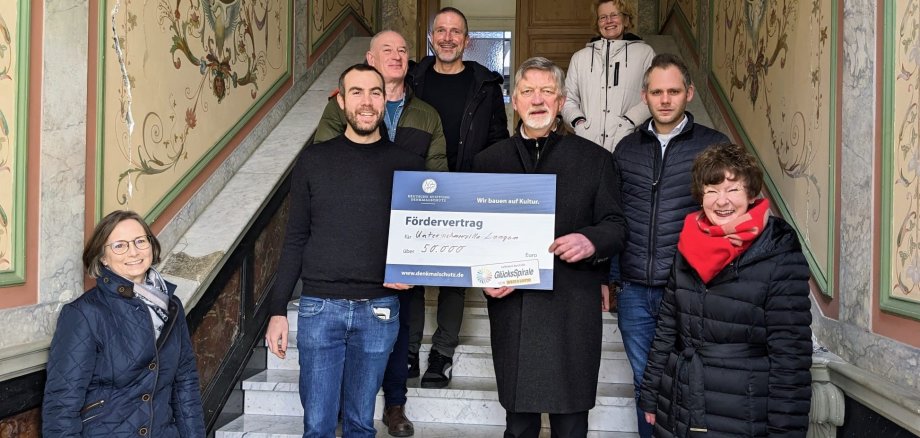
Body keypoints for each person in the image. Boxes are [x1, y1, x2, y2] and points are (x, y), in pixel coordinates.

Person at [263, 64, 424, 438]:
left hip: (381, 309)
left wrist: (412, 273)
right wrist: (277, 311)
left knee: (360, 424)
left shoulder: (409, 167)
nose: (366, 102)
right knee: (317, 425)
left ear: (386, 100)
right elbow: (295, 238)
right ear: (341, 101)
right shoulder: (313, 161)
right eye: (357, 92)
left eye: (374, 92)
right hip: (321, 308)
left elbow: (424, 243)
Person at [473, 57, 627, 438]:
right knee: (519, 421)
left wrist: (591, 240)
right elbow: (474, 235)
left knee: (571, 422)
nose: (537, 100)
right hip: (513, 306)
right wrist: (483, 278)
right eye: (527, 91)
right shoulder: (487, 162)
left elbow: (617, 226)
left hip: (571, 307)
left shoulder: (596, 160)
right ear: (515, 101)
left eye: (547, 91)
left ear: (560, 102)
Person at [313, 29, 448, 437]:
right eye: (386, 49)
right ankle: (338, 405)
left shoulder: (426, 114)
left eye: (403, 50)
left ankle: (394, 404)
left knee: (402, 326)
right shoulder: (342, 105)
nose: (396, 55)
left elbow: (437, 174)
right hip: (350, 238)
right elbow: (326, 161)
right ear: (369, 58)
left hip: (405, 236)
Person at [639, 143, 813, 437]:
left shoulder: (778, 251)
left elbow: (791, 356)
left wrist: (785, 431)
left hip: (744, 411)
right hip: (679, 403)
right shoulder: (687, 245)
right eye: (711, 189)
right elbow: (667, 329)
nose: (722, 201)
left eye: (732, 189)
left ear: (751, 193)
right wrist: (651, 395)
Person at [613, 53, 730, 438]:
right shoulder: (626, 149)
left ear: (689, 94)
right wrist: (611, 276)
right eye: (657, 91)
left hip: (689, 288)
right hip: (633, 290)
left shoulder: (714, 148)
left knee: (690, 383)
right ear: (644, 95)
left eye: (674, 91)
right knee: (645, 385)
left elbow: (732, 215)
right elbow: (614, 216)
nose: (665, 99)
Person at [406, 6, 510, 389]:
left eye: (456, 32)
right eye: (441, 30)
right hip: (416, 190)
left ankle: (442, 353)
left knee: (454, 276)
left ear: (467, 41)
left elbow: (499, 141)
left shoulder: (485, 85)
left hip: (465, 190)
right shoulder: (413, 78)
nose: (448, 37)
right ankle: (408, 350)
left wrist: (486, 187)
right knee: (412, 273)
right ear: (432, 37)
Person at [43, 210, 205, 437]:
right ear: (102, 257)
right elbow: (62, 405)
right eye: (119, 245)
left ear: (151, 245)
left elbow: (185, 385)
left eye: (140, 241)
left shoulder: (171, 306)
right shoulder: (84, 313)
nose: (134, 251)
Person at [562, 0, 655, 153]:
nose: (608, 21)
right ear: (597, 23)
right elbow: (568, 99)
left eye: (614, 15)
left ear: (626, 19)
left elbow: (654, 94)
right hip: (587, 147)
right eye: (603, 17)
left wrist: (629, 122)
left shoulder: (645, 54)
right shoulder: (580, 58)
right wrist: (579, 123)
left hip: (630, 145)